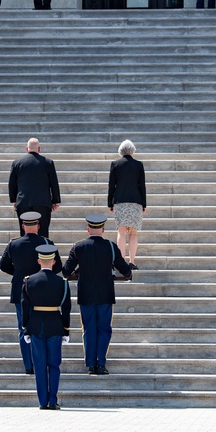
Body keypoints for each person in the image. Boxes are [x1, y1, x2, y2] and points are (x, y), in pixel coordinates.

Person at [61, 214, 132, 375]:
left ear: (88, 229)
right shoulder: (111, 247)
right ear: (103, 229)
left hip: (86, 294)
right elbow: (125, 270)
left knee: (89, 329)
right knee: (104, 329)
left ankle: (91, 364)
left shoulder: (78, 247)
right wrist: (127, 273)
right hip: (105, 293)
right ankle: (101, 363)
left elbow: (65, 271)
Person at [0, 212, 63, 375]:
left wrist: (19, 273)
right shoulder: (46, 243)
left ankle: (29, 365)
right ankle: (42, 362)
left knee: (24, 329)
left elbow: (3, 265)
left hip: (21, 290)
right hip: (42, 291)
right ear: (38, 226)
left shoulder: (14, 244)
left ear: (23, 226)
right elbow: (57, 267)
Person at [21, 243, 71, 410]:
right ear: (55, 261)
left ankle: (42, 401)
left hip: (35, 325)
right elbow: (66, 308)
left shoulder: (29, 281)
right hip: (55, 325)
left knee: (40, 364)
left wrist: (25, 328)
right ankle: (53, 400)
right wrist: (66, 329)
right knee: (54, 364)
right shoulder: (62, 282)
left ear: (38, 261)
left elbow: (25, 306)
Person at [8, 138, 61, 237]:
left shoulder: (17, 163)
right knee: (43, 233)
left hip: (23, 202)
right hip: (43, 202)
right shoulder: (48, 163)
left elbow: (12, 184)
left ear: (26, 148)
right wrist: (55, 200)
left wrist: (14, 200)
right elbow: (53, 183)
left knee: (25, 234)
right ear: (39, 149)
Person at [107, 139, 146, 269]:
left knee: (121, 232)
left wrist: (110, 203)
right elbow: (142, 186)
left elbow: (111, 185)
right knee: (133, 233)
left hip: (120, 201)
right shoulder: (139, 165)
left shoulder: (115, 164)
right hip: (136, 201)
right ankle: (132, 261)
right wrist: (144, 204)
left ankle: (122, 261)